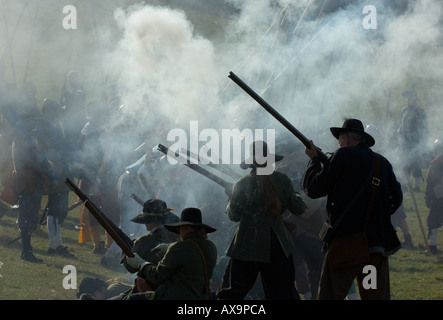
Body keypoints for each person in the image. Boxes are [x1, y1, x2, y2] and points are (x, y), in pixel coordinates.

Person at [302, 118, 403, 300]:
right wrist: (376, 216)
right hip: (375, 248)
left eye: (340, 140)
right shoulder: (382, 163)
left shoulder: (343, 155)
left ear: (346, 139)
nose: (339, 144)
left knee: (330, 294)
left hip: (345, 247)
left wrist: (314, 161)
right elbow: (396, 199)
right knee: (374, 296)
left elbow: (314, 188)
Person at [216, 140, 307, 300]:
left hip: (247, 246)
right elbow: (299, 208)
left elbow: (233, 215)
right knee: (284, 296)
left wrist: (232, 197)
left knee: (230, 294)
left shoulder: (242, 184)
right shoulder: (283, 180)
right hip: (279, 244)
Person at [124, 207, 218, 300]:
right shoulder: (211, 246)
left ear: (184, 227)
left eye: (179, 228)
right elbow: (193, 251)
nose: (179, 232)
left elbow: (157, 276)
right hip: (201, 297)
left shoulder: (178, 248)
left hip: (174, 297)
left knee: (132, 299)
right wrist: (170, 246)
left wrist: (141, 263)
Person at [117, 199, 180, 298]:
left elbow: (130, 268)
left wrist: (126, 250)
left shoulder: (144, 241)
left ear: (151, 222)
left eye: (146, 221)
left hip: (154, 291)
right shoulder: (178, 235)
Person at [397, 90, 429, 191]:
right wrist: (399, 130)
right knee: (405, 163)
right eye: (407, 98)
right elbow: (402, 125)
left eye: (409, 98)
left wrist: (421, 144)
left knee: (415, 163)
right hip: (405, 142)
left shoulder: (420, 112)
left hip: (415, 142)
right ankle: (404, 184)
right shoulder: (404, 110)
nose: (407, 100)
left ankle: (416, 186)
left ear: (414, 100)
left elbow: (423, 128)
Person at [424, 138, 443, 255]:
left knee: (433, 220)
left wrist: (428, 196)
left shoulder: (436, 162)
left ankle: (432, 246)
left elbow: (430, 180)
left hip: (439, 196)